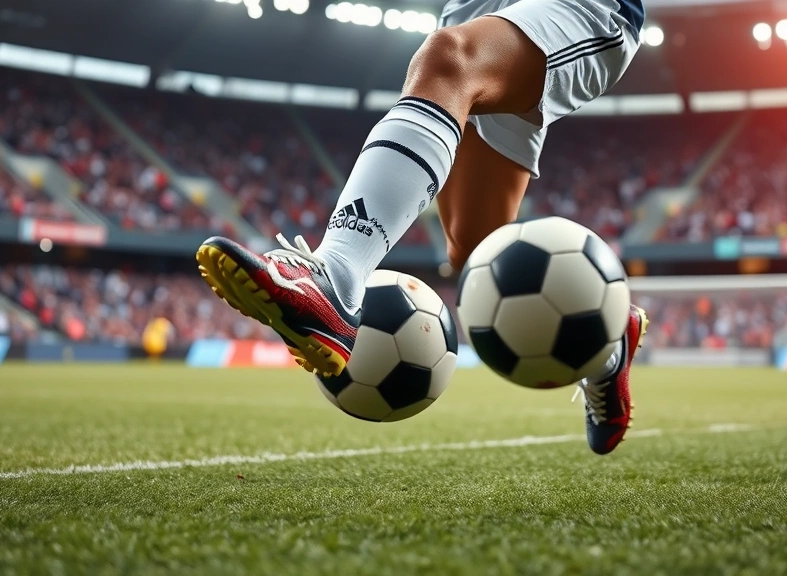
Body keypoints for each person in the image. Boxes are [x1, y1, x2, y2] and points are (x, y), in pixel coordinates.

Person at [197, 0, 649, 455]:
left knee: (449, 59)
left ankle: (336, 275)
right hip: (477, 5)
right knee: (478, 256)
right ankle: (609, 349)